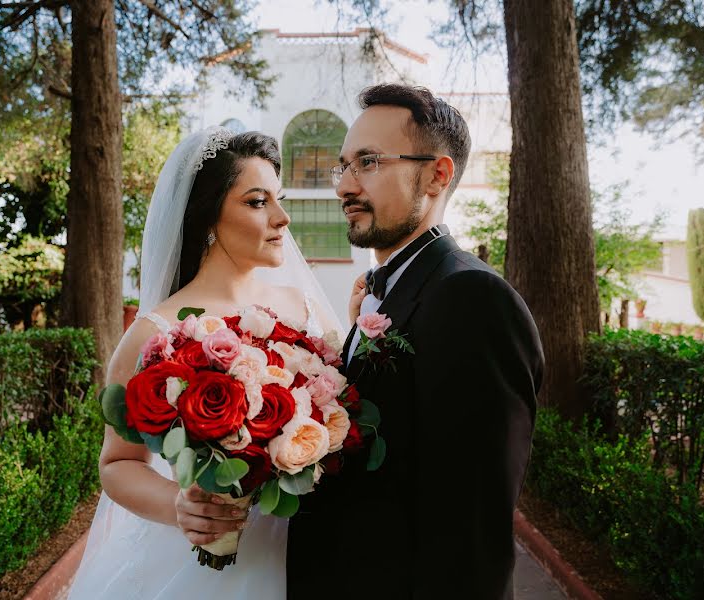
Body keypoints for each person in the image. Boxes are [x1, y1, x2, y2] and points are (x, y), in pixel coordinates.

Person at [286, 84, 545, 599]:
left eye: (368, 162)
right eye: (344, 166)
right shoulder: (389, 290)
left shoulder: (471, 298)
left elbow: (472, 533)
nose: (344, 186)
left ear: (437, 174)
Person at [66, 127, 343, 599]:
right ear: (210, 216)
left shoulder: (306, 308)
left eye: (278, 198)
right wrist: (179, 505)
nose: (282, 218)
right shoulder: (156, 333)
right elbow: (116, 464)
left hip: (314, 550)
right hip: (206, 567)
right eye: (258, 202)